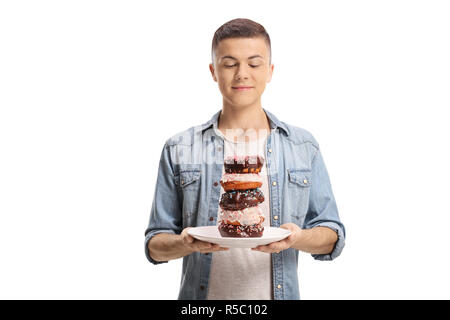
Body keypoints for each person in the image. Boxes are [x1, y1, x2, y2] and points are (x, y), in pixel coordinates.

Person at [144, 18, 345, 300]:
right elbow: (154, 244)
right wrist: (185, 242)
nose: (242, 74)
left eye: (254, 63)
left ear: (270, 71)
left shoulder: (302, 146)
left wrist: (298, 238)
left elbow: (332, 236)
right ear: (214, 72)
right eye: (229, 64)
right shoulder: (180, 147)